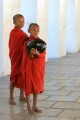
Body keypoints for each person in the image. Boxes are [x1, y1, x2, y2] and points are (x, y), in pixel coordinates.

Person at [22, 23, 46, 114]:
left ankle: (35, 106)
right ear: (29, 31)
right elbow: (26, 56)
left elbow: (43, 53)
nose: (36, 32)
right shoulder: (26, 43)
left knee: (36, 87)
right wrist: (32, 54)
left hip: (37, 69)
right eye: (33, 30)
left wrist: (38, 54)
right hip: (28, 68)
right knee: (28, 87)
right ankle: (29, 107)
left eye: (37, 30)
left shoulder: (41, 42)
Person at [9, 14, 28, 105]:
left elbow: (26, 43)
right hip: (16, 58)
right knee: (14, 76)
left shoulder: (22, 33)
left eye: (23, 21)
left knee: (23, 76)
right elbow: (13, 46)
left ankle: (21, 95)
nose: (22, 23)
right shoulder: (13, 33)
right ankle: (11, 97)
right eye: (19, 21)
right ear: (14, 22)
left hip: (22, 58)